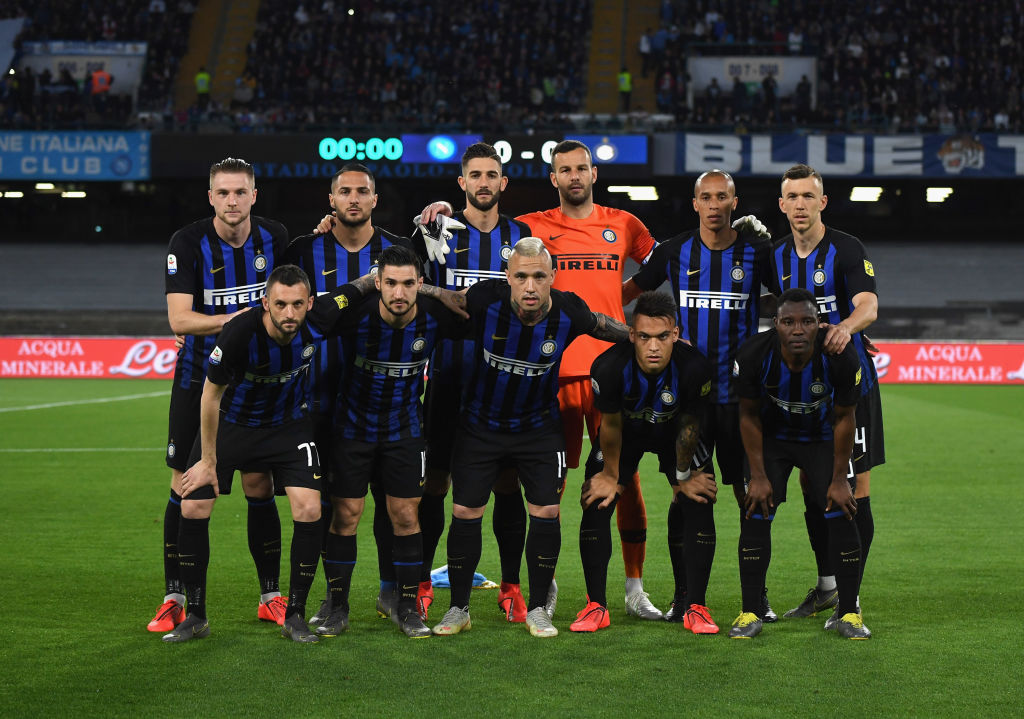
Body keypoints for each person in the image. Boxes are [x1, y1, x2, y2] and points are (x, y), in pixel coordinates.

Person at [418, 140, 660, 620]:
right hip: (548, 374)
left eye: (581, 168)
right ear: (553, 178)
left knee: (622, 478)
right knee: (540, 486)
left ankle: (632, 587)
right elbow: (476, 219)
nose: (574, 176)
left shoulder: (622, 222)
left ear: (594, 173)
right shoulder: (530, 228)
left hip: (605, 371)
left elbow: (662, 263)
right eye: (564, 169)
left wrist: (622, 296)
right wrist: (441, 208)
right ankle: (537, 587)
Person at [431, 237, 630, 638]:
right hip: (480, 426)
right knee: (465, 513)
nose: (530, 286)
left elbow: (605, 327)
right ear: (507, 276)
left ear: (552, 276)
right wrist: (419, 287)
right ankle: (458, 609)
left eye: (539, 276)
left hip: (538, 429)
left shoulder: (569, 310)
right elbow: (443, 302)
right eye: (521, 276)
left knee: (547, 512)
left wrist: (647, 338)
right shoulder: (484, 299)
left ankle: (538, 609)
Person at [165, 264, 374, 643]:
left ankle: (295, 615)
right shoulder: (239, 332)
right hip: (234, 424)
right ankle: (195, 615)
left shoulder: (321, 316)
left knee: (309, 508)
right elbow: (210, 396)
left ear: (311, 303)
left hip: (288, 426)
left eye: (297, 304)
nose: (289, 313)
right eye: (280, 304)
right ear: (265, 303)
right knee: (193, 505)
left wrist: (379, 276)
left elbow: (355, 289)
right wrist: (208, 461)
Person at [623, 169, 776, 623]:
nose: (713, 204)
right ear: (695, 204)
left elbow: (793, 298)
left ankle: (756, 597)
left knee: (751, 498)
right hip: (690, 403)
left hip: (742, 401)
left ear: (734, 202)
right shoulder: (675, 251)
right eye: (705, 197)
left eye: (721, 197)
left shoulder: (757, 252)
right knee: (688, 494)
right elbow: (631, 291)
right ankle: (685, 595)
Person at [150, 158, 289, 635]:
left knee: (259, 485)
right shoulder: (187, 243)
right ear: (211, 197)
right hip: (197, 380)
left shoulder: (275, 237)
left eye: (240, 192)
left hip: (256, 384)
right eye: (223, 193)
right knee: (185, 486)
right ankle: (174, 598)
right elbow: (179, 320)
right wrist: (239, 320)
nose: (232, 200)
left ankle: (270, 596)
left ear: (254, 195)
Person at [285, 163, 415, 626]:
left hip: (383, 401)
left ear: (375, 200)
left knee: (390, 502)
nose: (354, 198)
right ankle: (332, 597)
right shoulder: (304, 249)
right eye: (345, 191)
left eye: (362, 191)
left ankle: (390, 591)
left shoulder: (399, 250)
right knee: (332, 506)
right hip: (317, 399)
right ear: (332, 200)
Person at [313, 246, 465, 639]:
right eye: (390, 283)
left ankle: (407, 608)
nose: (399, 293)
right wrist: (362, 285)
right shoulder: (356, 315)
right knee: (346, 516)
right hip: (352, 429)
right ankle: (337, 607)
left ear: (420, 284)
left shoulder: (434, 318)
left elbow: (480, 310)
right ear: (378, 282)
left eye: (408, 284)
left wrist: (438, 294)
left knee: (406, 517)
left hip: (405, 431)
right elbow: (318, 313)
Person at [416, 143, 532, 623]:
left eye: (492, 175)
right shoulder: (435, 229)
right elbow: (404, 283)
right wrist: (438, 291)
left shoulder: (522, 236)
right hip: (448, 377)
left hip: (503, 385)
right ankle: (421, 582)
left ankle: (511, 586)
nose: (484, 182)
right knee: (435, 483)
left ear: (503, 183)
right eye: (475, 175)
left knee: (507, 484)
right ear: (462, 182)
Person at [770, 164, 882, 626]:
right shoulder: (774, 255)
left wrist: (846, 328)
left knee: (853, 489)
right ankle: (827, 586)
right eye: (792, 197)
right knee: (812, 487)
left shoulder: (847, 249)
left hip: (850, 387)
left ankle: (851, 599)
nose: (800, 204)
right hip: (800, 390)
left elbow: (868, 305)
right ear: (782, 205)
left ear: (822, 202)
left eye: (808, 196)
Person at [730, 288, 869, 640]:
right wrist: (757, 475)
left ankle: (848, 613)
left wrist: (839, 479)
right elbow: (747, 416)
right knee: (756, 510)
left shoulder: (840, 356)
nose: (797, 330)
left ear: (819, 324)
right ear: (775, 324)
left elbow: (845, 418)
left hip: (822, 440)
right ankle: (750, 611)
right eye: (788, 322)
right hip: (772, 440)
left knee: (842, 510)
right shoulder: (753, 353)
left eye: (806, 321)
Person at [573, 292, 715, 634]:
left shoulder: (695, 367)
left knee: (698, 499)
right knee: (596, 498)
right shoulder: (608, 367)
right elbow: (610, 425)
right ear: (632, 335)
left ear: (675, 334)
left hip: (676, 434)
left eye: (662, 337)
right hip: (626, 435)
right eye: (645, 337)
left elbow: (690, 425)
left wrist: (683, 476)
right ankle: (596, 606)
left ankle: (694, 605)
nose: (653, 346)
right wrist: (610, 475)